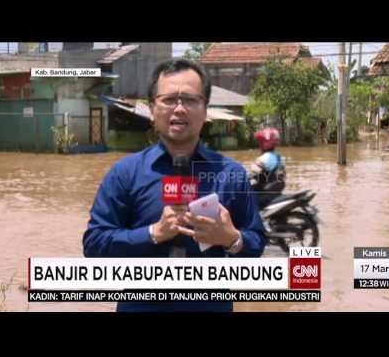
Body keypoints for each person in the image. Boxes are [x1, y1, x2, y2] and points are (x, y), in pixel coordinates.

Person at [83, 58, 265, 312]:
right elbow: (94, 246)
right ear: (151, 109)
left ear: (205, 109)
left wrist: (231, 239)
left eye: (190, 100)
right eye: (169, 100)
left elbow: (256, 243)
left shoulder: (231, 174)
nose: (179, 109)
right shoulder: (125, 174)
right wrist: (152, 233)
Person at [249, 128, 286, 209]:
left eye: (260, 142)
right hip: (276, 193)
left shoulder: (262, 159)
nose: (259, 144)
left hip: (264, 196)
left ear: (264, 143)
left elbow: (251, 176)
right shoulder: (280, 157)